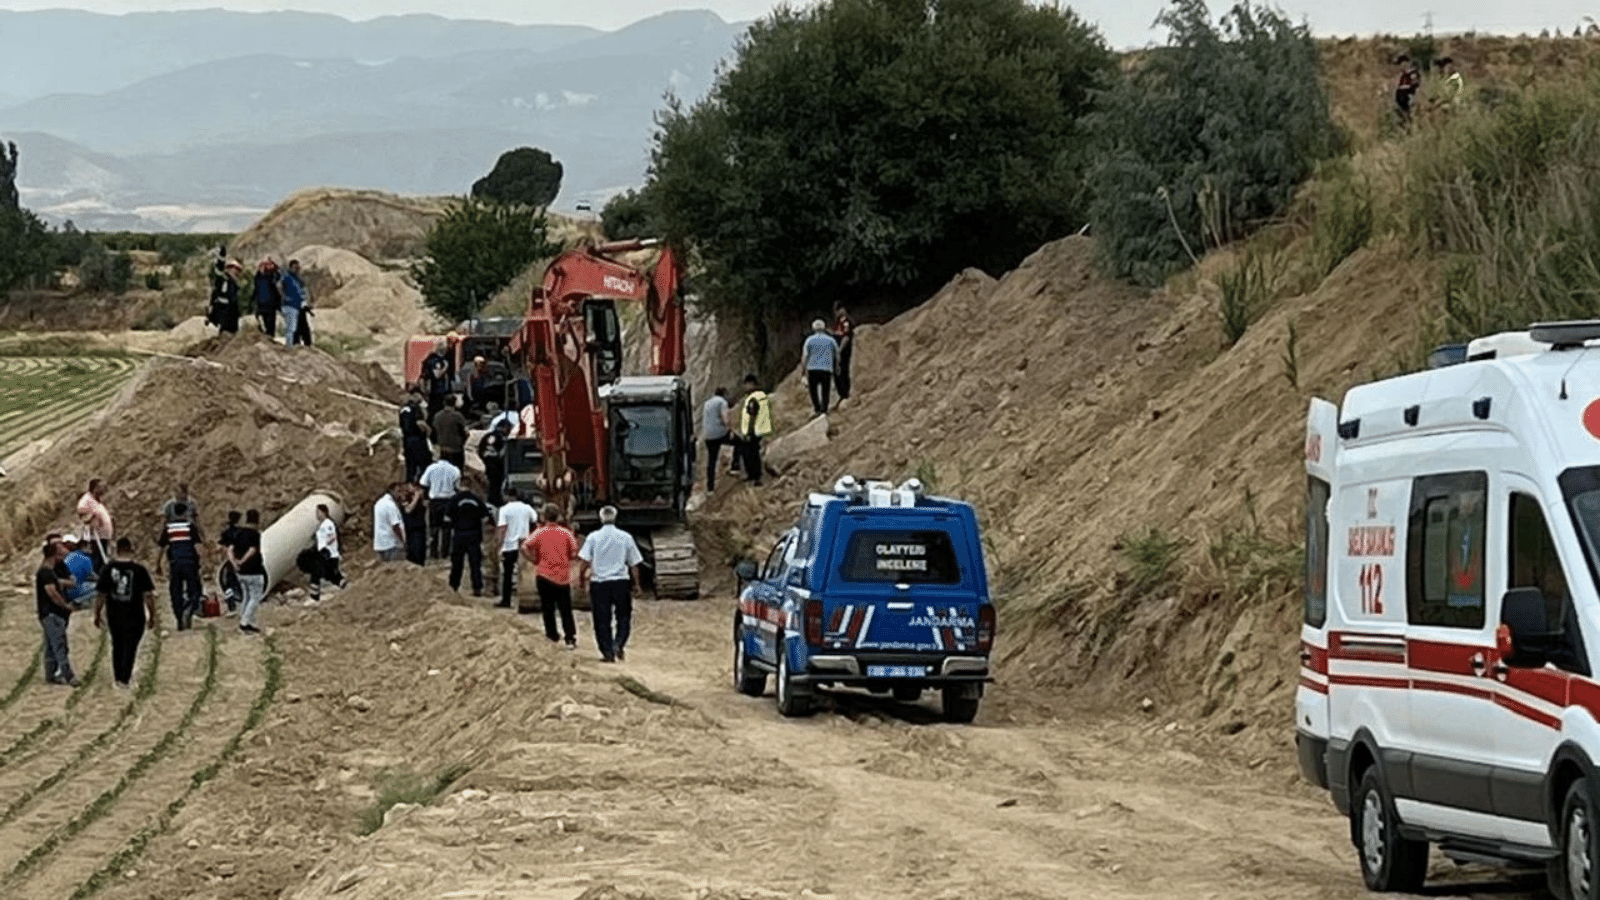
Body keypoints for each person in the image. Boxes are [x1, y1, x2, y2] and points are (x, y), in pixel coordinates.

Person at [576, 505, 643, 663]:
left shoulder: (593, 537)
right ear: (615, 517)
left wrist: (581, 579)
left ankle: (607, 652)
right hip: (621, 582)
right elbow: (634, 564)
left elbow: (584, 562)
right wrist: (637, 584)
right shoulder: (626, 537)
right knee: (623, 616)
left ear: (601, 518)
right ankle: (619, 642)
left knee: (601, 619)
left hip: (599, 583)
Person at [95, 537, 157, 689]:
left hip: (114, 614)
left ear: (117, 550)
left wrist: (97, 614)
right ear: (131, 550)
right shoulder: (140, 570)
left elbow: (101, 595)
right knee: (131, 646)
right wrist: (152, 614)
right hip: (135, 615)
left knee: (117, 645)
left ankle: (118, 677)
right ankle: (125, 678)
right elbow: (147, 595)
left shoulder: (108, 569)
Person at [524, 502, 580, 647]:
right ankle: (570, 637)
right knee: (565, 609)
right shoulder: (566, 533)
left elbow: (525, 546)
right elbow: (574, 552)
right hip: (562, 576)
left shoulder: (539, 532)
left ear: (544, 516)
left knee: (547, 607)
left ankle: (552, 635)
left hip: (544, 574)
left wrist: (533, 560)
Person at [37, 540, 78, 686]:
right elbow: (52, 593)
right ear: (53, 555)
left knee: (50, 646)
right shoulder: (47, 573)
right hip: (52, 614)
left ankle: (50, 675)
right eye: (59, 553)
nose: (62, 556)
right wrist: (65, 606)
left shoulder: (49, 571)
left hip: (47, 615)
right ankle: (69, 676)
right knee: (60, 646)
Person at [157, 502, 203, 631]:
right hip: (190, 563)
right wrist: (203, 562)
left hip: (174, 563)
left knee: (175, 591)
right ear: (184, 513)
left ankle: (179, 616)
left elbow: (161, 547)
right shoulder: (190, 527)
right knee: (194, 589)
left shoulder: (168, 528)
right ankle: (189, 607)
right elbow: (197, 546)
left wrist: (158, 564)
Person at [494, 487, 536, 609]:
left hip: (509, 545)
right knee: (524, 571)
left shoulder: (504, 510)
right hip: (524, 544)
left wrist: (499, 544)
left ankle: (506, 600)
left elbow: (502, 528)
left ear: (507, 496)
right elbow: (535, 521)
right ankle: (526, 595)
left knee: (507, 573)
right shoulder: (527, 508)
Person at [447, 483, 490, 596]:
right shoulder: (477, 499)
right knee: (475, 563)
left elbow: (446, 518)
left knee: (457, 562)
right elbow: (486, 518)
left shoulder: (454, 499)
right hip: (474, 535)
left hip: (459, 535)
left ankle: (453, 586)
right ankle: (477, 588)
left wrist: (456, 522)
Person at [230, 509, 266, 634]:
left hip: (241, 573)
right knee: (255, 598)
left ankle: (246, 620)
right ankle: (244, 623)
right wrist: (242, 561)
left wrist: (235, 562)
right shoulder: (255, 534)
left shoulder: (239, 533)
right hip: (254, 570)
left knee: (246, 596)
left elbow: (230, 549)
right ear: (257, 520)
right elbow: (252, 550)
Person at [420, 456, 460, 560]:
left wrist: (425, 499)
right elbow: (457, 487)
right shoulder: (454, 469)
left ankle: (433, 552)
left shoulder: (431, 468)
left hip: (435, 501)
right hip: (448, 501)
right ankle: (445, 552)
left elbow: (423, 484)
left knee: (434, 527)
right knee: (446, 528)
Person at [737, 374, 773, 486]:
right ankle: (753, 475)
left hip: (753, 431)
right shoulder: (757, 396)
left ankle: (755, 476)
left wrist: (748, 431)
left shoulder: (753, 398)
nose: (745, 387)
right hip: (757, 429)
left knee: (751, 453)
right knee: (751, 452)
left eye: (746, 384)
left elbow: (752, 415)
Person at [309, 503, 347, 602]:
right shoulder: (325, 524)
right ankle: (344, 585)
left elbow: (328, 540)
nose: (316, 515)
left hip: (328, 555)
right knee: (331, 575)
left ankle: (314, 596)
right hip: (328, 554)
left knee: (317, 574)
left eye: (318, 512)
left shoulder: (328, 525)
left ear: (323, 513)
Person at [802, 318, 839, 416]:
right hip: (827, 368)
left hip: (812, 368)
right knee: (825, 390)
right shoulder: (831, 340)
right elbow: (837, 354)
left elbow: (805, 356)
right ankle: (824, 409)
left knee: (813, 390)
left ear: (813, 328)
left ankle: (817, 408)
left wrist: (803, 370)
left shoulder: (809, 340)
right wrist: (837, 367)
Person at [75, 478, 114, 564]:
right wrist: (93, 516)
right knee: (98, 560)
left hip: (104, 536)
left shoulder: (96, 500)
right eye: (100, 487)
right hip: (97, 538)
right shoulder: (87, 499)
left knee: (103, 559)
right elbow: (80, 510)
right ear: (95, 488)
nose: (103, 489)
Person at [399, 386, 433, 484]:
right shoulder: (415, 408)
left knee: (410, 467)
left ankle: (409, 485)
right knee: (423, 465)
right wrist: (428, 430)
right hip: (417, 440)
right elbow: (420, 424)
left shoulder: (403, 408)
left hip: (407, 440)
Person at [701, 387, 730, 492]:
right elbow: (725, 417)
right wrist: (728, 429)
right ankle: (736, 466)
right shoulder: (722, 402)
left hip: (707, 435)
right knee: (740, 442)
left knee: (711, 460)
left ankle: (710, 488)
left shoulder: (707, 403)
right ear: (724, 394)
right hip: (719, 433)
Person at [478, 417, 511, 506]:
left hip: (488, 462)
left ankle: (491, 499)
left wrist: (483, 459)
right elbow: (502, 453)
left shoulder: (488, 436)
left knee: (491, 482)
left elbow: (480, 449)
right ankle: (495, 500)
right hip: (496, 463)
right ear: (504, 427)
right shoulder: (501, 438)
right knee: (497, 483)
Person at [60, 534, 97, 609]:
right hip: (74, 589)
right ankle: (78, 601)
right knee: (99, 588)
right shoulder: (87, 559)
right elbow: (91, 576)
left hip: (64, 591)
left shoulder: (69, 556)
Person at [431, 393, 469, 469]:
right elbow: (466, 432)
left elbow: (434, 431)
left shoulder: (437, 415)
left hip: (443, 448)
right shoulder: (458, 416)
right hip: (456, 449)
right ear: (455, 403)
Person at [373, 484, 407, 564]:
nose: (400, 495)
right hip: (392, 545)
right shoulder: (391, 505)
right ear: (392, 492)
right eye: (398, 492)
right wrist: (403, 541)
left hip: (380, 544)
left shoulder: (379, 503)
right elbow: (395, 525)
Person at [421, 339, 454, 421]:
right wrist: (445, 367)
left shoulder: (444, 359)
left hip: (443, 390)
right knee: (435, 411)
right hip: (436, 391)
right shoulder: (434, 361)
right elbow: (437, 375)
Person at [207, 259, 243, 334]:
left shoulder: (232, 282)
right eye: (235, 269)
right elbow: (220, 297)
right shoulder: (225, 281)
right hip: (224, 314)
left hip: (230, 314)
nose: (236, 271)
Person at [217, 510, 243, 615]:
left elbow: (221, 547)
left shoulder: (226, 532)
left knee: (229, 583)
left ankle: (231, 605)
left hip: (230, 561)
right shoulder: (242, 532)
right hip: (242, 559)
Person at [279, 258, 307, 348]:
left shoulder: (297, 279)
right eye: (295, 267)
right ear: (291, 267)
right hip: (289, 305)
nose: (297, 269)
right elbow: (279, 285)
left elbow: (302, 291)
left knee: (294, 327)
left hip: (296, 306)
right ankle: (289, 346)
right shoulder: (287, 277)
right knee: (290, 328)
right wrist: (284, 297)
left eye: (298, 267)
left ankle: (292, 345)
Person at [400, 482, 428, 565]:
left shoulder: (421, 498)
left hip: (420, 527)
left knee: (421, 550)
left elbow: (426, 506)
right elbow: (408, 510)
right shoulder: (405, 497)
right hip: (411, 528)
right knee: (414, 550)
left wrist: (421, 497)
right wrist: (416, 497)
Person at [832, 304, 856, 403]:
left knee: (843, 371)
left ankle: (844, 393)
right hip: (838, 350)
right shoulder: (837, 323)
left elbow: (846, 337)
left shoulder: (844, 322)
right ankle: (841, 393)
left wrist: (840, 350)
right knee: (838, 372)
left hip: (843, 350)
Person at [253, 259, 281, 338]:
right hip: (261, 306)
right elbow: (255, 291)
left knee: (271, 327)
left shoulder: (271, 277)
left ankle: (270, 339)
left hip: (271, 306)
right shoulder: (258, 278)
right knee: (263, 327)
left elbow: (278, 277)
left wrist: (274, 266)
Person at [1395, 55, 1421, 126]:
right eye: (1400, 64)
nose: (1402, 66)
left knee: (1410, 116)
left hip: (1409, 97)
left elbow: (1415, 85)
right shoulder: (1402, 75)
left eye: (1403, 64)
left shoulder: (1412, 73)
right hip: (1401, 100)